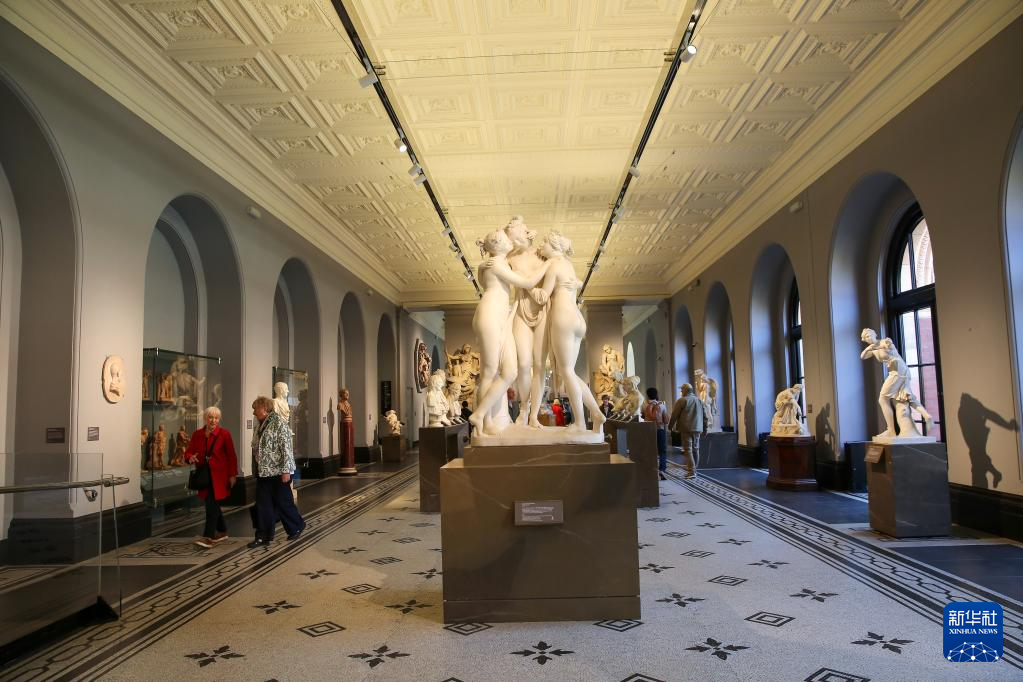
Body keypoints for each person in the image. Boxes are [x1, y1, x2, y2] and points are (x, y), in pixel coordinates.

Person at [469, 229, 551, 436]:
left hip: (501, 318)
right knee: (489, 371)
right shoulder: (496, 264)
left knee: (510, 372)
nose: (511, 241)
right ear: (499, 244)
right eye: (507, 239)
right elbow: (528, 283)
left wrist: (481, 266)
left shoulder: (498, 263)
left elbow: (482, 277)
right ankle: (484, 421)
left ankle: (480, 414)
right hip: (489, 315)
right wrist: (551, 263)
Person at [529, 231, 605, 433]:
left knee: (566, 371)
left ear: (553, 246)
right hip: (577, 319)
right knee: (569, 371)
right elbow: (577, 283)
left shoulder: (552, 264)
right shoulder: (568, 264)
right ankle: (596, 413)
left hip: (562, 317)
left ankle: (580, 422)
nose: (541, 246)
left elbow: (542, 296)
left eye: (544, 242)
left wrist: (526, 285)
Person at [249, 395, 305, 548]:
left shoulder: (279, 423)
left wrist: (286, 471)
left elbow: (286, 448)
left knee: (284, 503)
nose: (253, 412)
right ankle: (263, 536)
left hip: (279, 472)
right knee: (263, 505)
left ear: (264, 408)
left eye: (255, 409)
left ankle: (297, 526)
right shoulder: (259, 426)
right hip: (263, 472)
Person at [186, 406, 238, 548]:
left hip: (219, 477)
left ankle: (208, 536)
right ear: (205, 418)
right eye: (210, 417)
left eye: (216, 418)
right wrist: (190, 457)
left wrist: (233, 475)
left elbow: (231, 456)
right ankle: (222, 531)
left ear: (218, 419)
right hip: (204, 476)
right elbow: (188, 452)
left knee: (211, 504)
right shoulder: (197, 434)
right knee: (212, 504)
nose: (213, 420)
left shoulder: (224, 434)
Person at [669, 383, 705, 479]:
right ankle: (694, 470)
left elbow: (674, 415)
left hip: (686, 428)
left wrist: (670, 426)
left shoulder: (682, 400)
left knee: (688, 450)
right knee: (696, 449)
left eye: (682, 390)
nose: (681, 391)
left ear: (686, 390)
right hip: (698, 429)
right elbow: (705, 416)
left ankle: (692, 471)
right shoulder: (699, 400)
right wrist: (705, 429)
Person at [642, 387, 670, 480]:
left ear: (647, 395)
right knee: (662, 450)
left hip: (649, 430)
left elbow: (643, 417)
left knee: (650, 450)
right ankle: (662, 470)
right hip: (660, 429)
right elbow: (666, 420)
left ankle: (651, 469)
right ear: (656, 394)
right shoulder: (662, 405)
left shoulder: (645, 406)